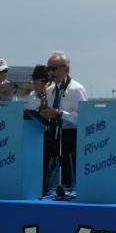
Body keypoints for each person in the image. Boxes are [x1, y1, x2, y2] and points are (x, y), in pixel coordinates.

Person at [39, 51, 88, 192]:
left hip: (72, 134)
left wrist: (60, 114)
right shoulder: (49, 90)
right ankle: (40, 186)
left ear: (66, 69)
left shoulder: (76, 89)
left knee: (59, 144)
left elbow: (83, 118)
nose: (50, 72)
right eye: (48, 69)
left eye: (54, 68)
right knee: (37, 145)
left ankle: (66, 184)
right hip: (54, 133)